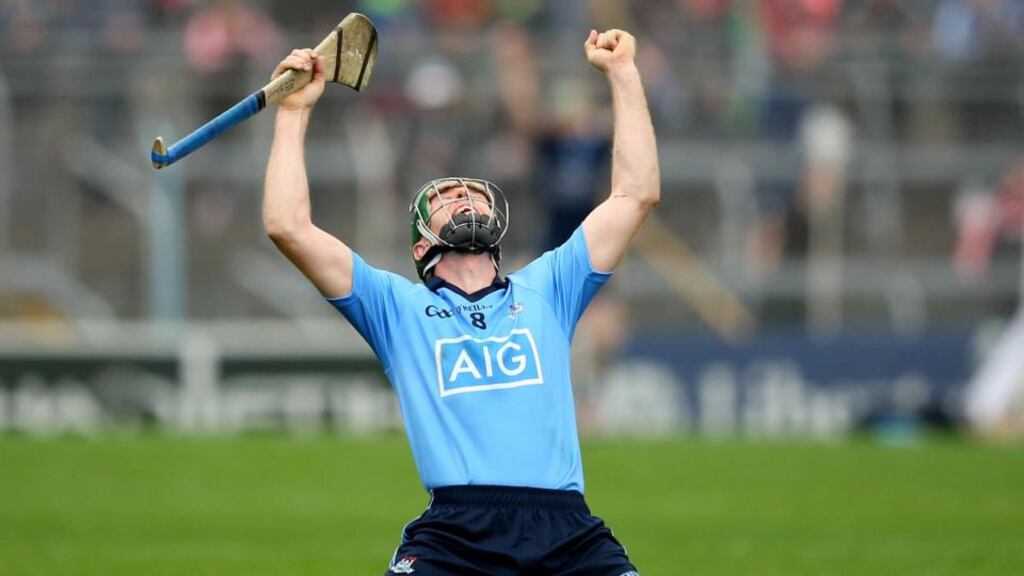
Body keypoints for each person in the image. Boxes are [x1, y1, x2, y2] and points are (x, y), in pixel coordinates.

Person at [263, 27, 658, 576]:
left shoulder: (549, 286)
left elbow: (635, 193)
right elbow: (288, 227)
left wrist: (624, 76)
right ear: (422, 242)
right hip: (455, 535)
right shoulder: (394, 308)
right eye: (449, 197)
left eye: (470, 191)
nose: (466, 196)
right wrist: (293, 112)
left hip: (566, 531)